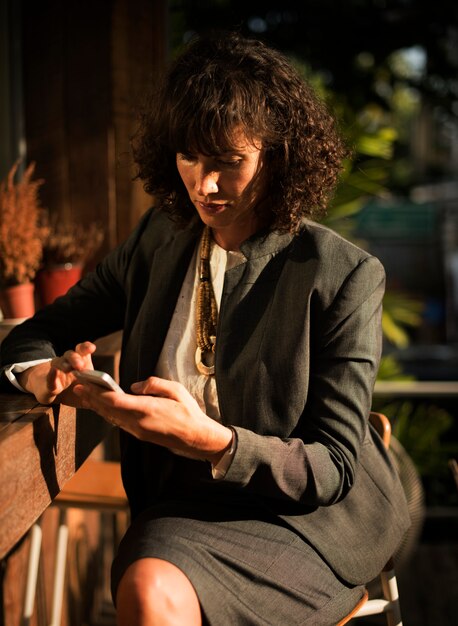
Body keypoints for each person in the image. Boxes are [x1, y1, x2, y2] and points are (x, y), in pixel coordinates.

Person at [0, 32, 410, 625]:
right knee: (149, 583)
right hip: (185, 514)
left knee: (148, 586)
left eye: (229, 162)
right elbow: (33, 334)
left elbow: (333, 468)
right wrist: (38, 374)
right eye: (189, 157)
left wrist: (209, 439)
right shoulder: (156, 243)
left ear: (279, 154)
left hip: (306, 526)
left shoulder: (342, 276)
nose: (204, 184)